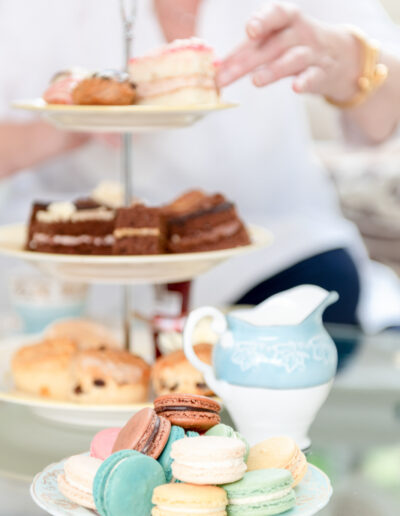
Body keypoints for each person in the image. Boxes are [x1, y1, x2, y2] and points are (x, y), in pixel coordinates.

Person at [1, 0, 400, 332]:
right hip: (74, 262)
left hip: (274, 252)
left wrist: (352, 60)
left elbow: (386, 119)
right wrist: (65, 128)